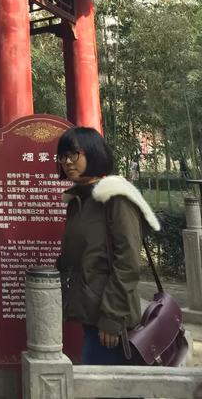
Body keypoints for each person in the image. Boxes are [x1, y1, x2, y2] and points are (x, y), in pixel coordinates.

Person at [56, 126, 160, 368]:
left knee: (104, 381)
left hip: (111, 319)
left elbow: (128, 262)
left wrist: (112, 317)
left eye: (74, 154)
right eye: (62, 156)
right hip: (90, 312)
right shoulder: (80, 199)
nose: (68, 162)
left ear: (93, 153)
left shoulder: (116, 198)